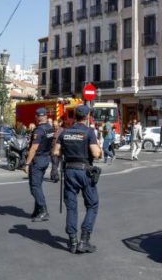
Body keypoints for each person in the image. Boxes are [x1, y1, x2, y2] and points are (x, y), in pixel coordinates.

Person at [53, 104, 102, 254]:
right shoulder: (89, 132)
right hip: (84, 171)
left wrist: (57, 166)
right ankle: (84, 241)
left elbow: (56, 152)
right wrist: (100, 149)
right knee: (92, 204)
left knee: (71, 207)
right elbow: (95, 154)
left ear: (75, 116)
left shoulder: (65, 132)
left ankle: (73, 241)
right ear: (87, 117)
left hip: (69, 171)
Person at [23, 108, 55, 222]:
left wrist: (27, 163)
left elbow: (34, 148)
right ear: (46, 116)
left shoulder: (39, 130)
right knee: (38, 186)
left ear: (37, 117)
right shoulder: (50, 128)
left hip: (38, 159)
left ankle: (43, 211)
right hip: (45, 158)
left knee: (35, 187)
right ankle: (37, 210)